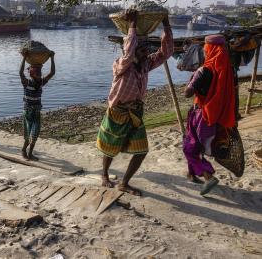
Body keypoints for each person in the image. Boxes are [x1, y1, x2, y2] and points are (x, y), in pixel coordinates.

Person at [97, 10, 173, 196]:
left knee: (141, 150)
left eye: (146, 47)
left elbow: (166, 52)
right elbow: (129, 53)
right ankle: (105, 175)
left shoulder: (146, 64)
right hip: (118, 111)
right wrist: (132, 25)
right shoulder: (121, 64)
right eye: (142, 47)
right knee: (110, 147)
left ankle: (124, 183)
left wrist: (166, 24)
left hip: (135, 112)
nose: (146, 51)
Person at [182, 34, 235, 195]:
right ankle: (191, 174)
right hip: (215, 113)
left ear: (209, 49)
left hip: (201, 114)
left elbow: (187, 93)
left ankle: (208, 176)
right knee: (195, 144)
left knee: (189, 147)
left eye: (206, 48)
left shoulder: (204, 70)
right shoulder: (226, 69)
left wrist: (191, 82)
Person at [19, 51, 55, 160]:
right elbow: (21, 73)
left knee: (34, 135)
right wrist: (24, 58)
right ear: (31, 74)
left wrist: (52, 58)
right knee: (27, 136)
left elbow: (52, 72)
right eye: (36, 73)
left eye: (39, 73)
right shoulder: (27, 83)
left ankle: (30, 153)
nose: (38, 75)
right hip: (28, 112)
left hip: (36, 112)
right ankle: (23, 150)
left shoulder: (41, 83)